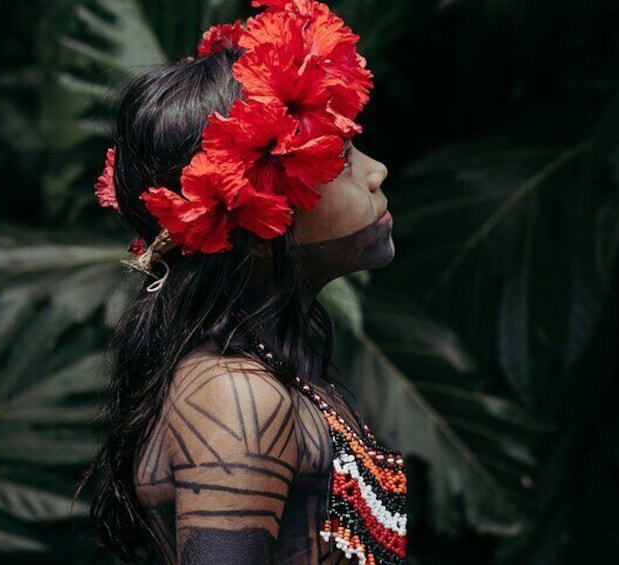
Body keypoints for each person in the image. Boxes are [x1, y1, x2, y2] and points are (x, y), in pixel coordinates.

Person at [84, 2, 407, 563]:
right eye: (341, 159)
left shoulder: (268, 374)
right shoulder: (237, 397)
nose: (376, 172)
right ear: (254, 212)